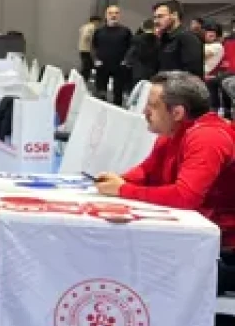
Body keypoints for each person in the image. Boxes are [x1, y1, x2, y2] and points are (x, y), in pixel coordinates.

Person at [95, 71, 235, 249]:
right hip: (194, 233)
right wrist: (118, 180)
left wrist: (122, 189)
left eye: (152, 106)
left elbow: (185, 197)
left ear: (177, 113)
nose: (144, 111)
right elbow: (146, 172)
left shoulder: (208, 138)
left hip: (221, 245)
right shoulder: (171, 133)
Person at [91, 5, 133, 106]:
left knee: (118, 94)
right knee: (100, 94)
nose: (113, 15)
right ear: (106, 15)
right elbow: (93, 46)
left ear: (119, 15)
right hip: (102, 66)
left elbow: (131, 47)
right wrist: (95, 59)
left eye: (116, 13)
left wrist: (126, 60)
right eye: (110, 13)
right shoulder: (99, 31)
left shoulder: (126, 31)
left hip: (119, 66)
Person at [153, 0, 204, 77]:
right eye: (155, 17)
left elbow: (193, 74)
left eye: (160, 16)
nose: (156, 21)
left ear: (174, 15)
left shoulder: (188, 38)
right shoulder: (163, 39)